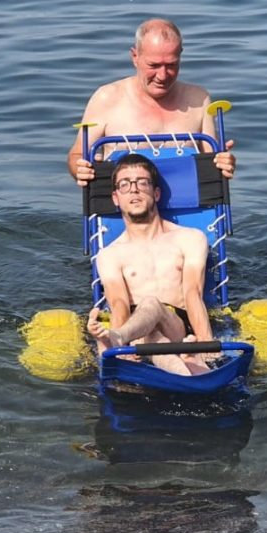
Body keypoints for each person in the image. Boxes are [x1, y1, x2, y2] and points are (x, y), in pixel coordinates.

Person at [86, 153, 214, 376]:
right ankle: (191, 374)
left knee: (151, 305)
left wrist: (207, 345)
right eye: (125, 185)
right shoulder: (110, 255)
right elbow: (119, 304)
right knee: (152, 335)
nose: (134, 190)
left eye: (142, 183)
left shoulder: (190, 238)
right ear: (116, 198)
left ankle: (117, 339)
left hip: (176, 324)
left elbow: (193, 292)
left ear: (156, 193)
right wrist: (125, 351)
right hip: (139, 333)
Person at [68, 18, 235, 187]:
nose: (162, 75)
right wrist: (80, 169)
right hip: (124, 208)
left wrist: (224, 163)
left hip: (187, 206)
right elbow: (77, 155)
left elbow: (213, 163)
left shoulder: (199, 100)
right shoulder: (107, 98)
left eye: (171, 65)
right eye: (153, 65)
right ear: (135, 57)